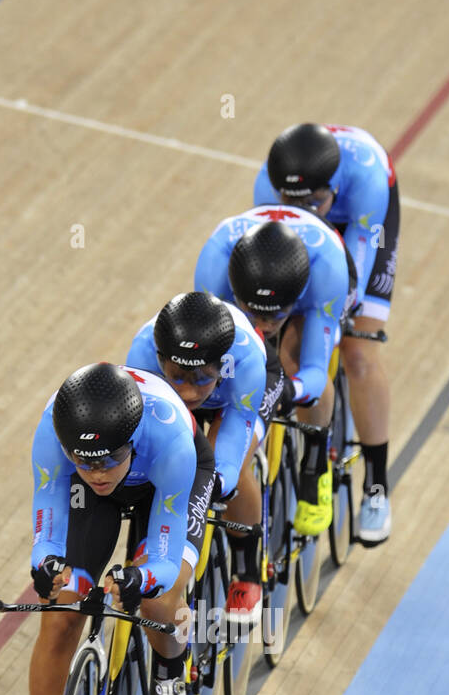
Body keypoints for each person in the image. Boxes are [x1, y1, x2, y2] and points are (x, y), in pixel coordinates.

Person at [18, 361, 214, 695]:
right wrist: (46, 567)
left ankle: (169, 672)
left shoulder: (168, 443)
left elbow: (164, 564)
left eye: (107, 461)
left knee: (156, 600)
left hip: (163, 489)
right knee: (62, 612)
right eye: (84, 462)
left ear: (131, 442)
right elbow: (48, 522)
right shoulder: (52, 436)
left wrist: (139, 580)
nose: (96, 472)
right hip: (97, 505)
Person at [254, 122, 399, 544]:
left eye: (315, 201)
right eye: (295, 201)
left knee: (357, 352)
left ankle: (376, 486)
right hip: (300, 237)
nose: (308, 209)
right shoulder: (267, 184)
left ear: (332, 185)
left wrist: (332, 313)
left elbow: (353, 274)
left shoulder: (365, 181)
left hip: (363, 222)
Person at [127, 290, 283, 624]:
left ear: (221, 365)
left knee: (233, 470)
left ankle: (247, 570)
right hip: (179, 407)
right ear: (159, 358)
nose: (188, 391)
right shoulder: (142, 354)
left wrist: (215, 482)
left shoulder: (243, 360)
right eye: (178, 376)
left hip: (235, 397)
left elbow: (234, 430)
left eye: (200, 379)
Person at [195, 209, 350, 536]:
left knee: (297, 360)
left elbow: (315, 371)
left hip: (323, 275)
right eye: (252, 314)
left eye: (273, 317)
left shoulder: (325, 274)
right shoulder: (216, 262)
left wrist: (290, 390)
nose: (263, 327)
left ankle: (316, 465)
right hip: (245, 273)